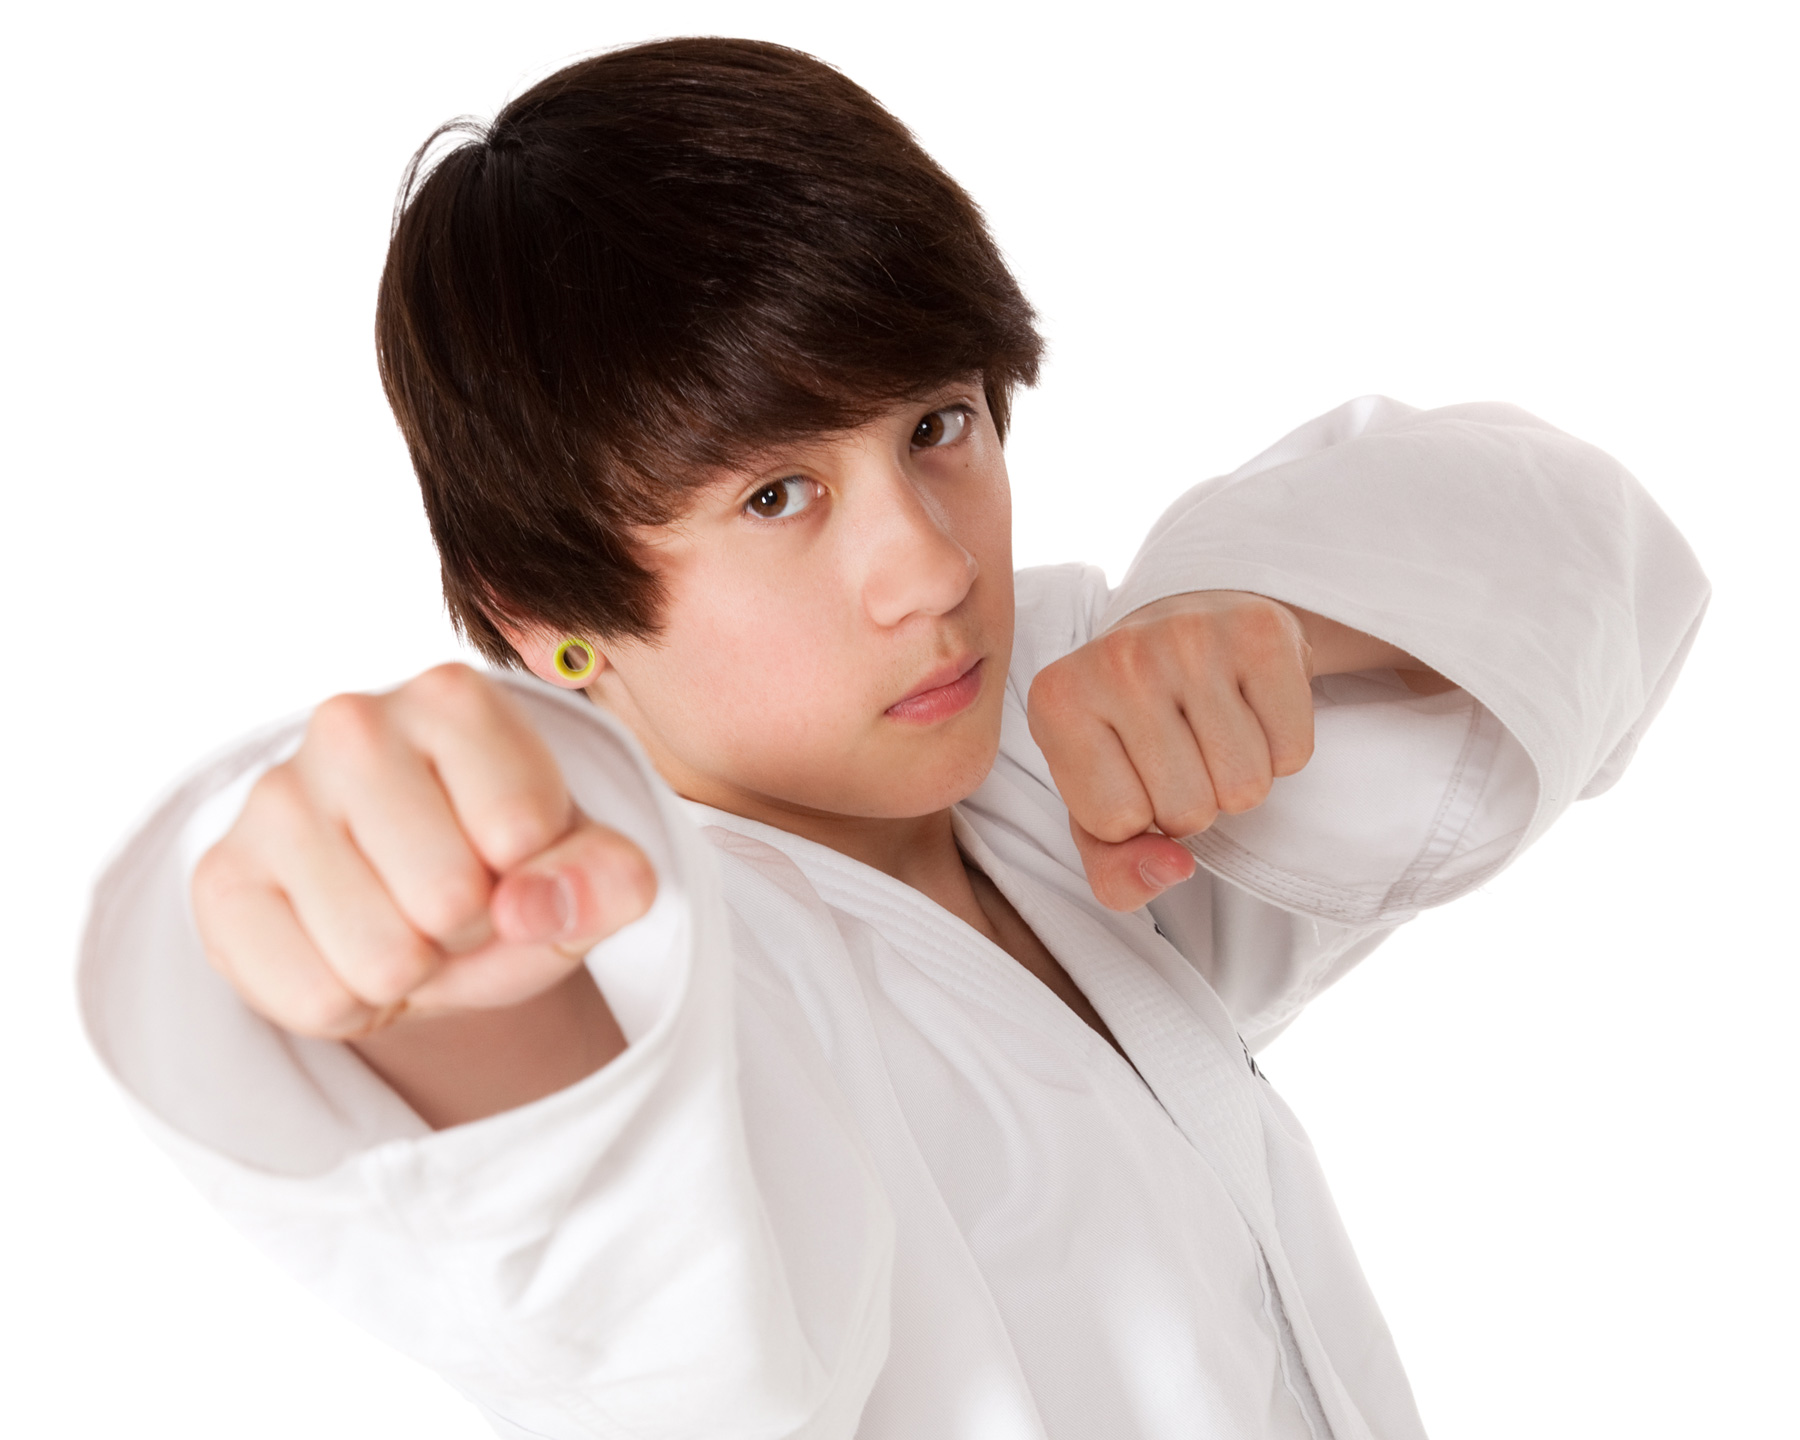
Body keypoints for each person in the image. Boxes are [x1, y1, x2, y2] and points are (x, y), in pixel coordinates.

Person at [78, 36, 1708, 1440]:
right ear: (540, 613)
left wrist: (1254, 614)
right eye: (775, 495)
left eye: (939, 425)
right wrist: (439, 966)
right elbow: (634, 1264)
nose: (930, 567)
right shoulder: (684, 966)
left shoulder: (1045, 768)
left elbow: (1580, 551)